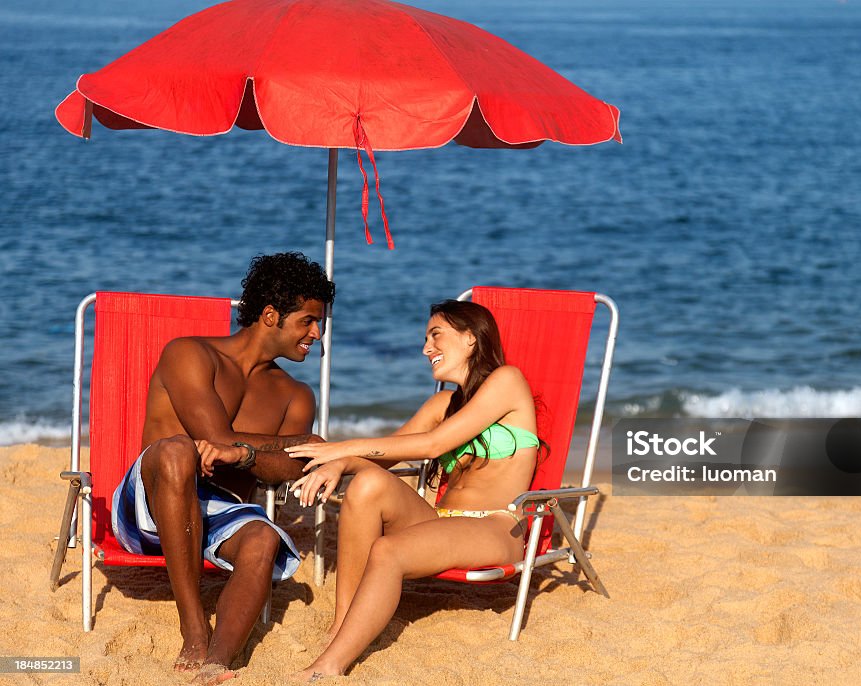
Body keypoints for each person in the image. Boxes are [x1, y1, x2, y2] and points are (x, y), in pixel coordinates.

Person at [110, 252, 335, 685]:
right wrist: (298, 444)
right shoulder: (190, 354)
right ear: (270, 315)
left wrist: (251, 455)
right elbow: (215, 438)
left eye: (319, 322)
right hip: (150, 505)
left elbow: (286, 470)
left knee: (264, 537)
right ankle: (194, 627)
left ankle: (217, 663)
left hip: (222, 512)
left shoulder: (296, 395)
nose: (317, 333)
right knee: (177, 450)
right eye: (308, 321)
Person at [284, 300, 540, 681]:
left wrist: (344, 447)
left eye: (435, 335)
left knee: (387, 550)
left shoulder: (508, 381)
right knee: (368, 483)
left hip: (494, 527)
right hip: (438, 521)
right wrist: (339, 464)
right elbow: (388, 450)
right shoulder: (442, 404)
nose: (426, 349)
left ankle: (330, 665)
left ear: (471, 339)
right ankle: (341, 629)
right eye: (425, 339)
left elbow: (433, 446)